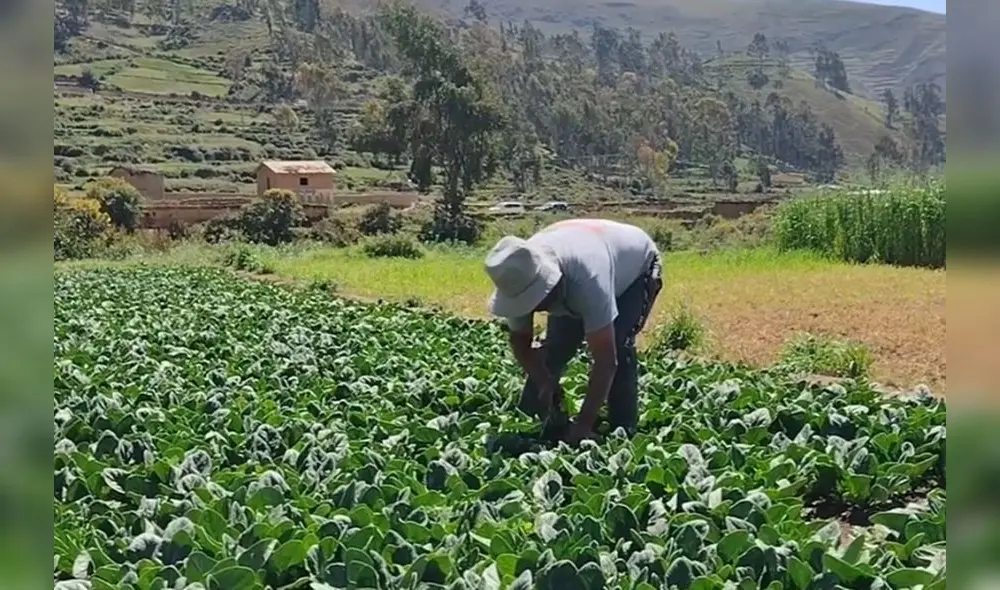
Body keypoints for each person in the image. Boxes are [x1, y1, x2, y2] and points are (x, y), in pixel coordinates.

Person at [483, 218, 663, 444]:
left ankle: (623, 429)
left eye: (536, 301)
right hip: (583, 248)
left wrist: (583, 425)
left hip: (635, 268)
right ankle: (533, 419)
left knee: (618, 342)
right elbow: (520, 342)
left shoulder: (588, 281)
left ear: (549, 286)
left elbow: (606, 360)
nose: (534, 309)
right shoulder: (516, 274)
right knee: (557, 347)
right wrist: (543, 380)